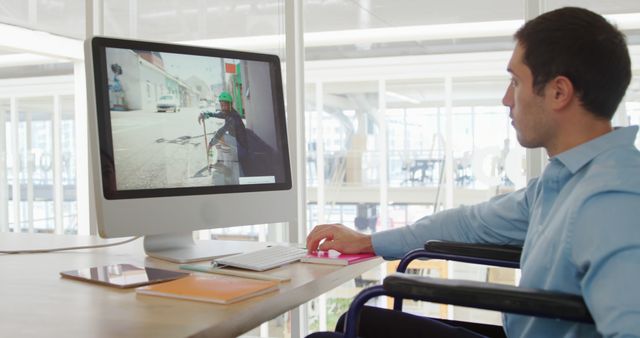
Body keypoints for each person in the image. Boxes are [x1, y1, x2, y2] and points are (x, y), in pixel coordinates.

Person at [306, 7, 640, 338]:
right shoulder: (563, 182)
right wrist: (368, 241)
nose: (506, 99)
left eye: (515, 81)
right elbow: (469, 223)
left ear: (558, 92)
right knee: (357, 321)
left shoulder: (612, 201)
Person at [198, 91, 250, 174]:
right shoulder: (229, 112)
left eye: (225, 105)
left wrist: (210, 144)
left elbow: (220, 132)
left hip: (242, 150)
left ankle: (226, 166)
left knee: (221, 137)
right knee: (221, 139)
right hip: (237, 145)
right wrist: (206, 114)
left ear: (230, 104)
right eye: (221, 105)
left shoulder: (233, 117)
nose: (223, 107)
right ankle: (222, 162)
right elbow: (218, 114)